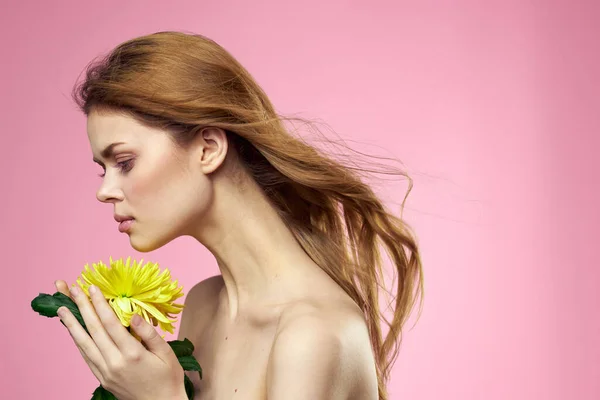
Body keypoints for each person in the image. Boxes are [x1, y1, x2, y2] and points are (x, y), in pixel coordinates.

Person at [53, 30, 423, 400]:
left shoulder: (313, 334)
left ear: (208, 149)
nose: (105, 191)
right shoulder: (202, 306)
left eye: (125, 162)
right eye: (104, 169)